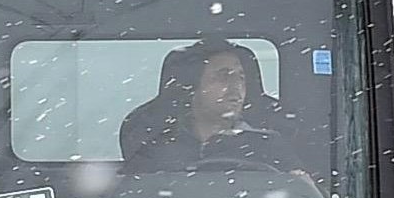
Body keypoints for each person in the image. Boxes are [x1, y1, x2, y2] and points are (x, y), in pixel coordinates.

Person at [119, 38, 318, 179]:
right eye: (224, 75)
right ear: (191, 87)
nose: (236, 86)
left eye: (241, 77)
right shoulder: (155, 150)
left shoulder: (271, 146)